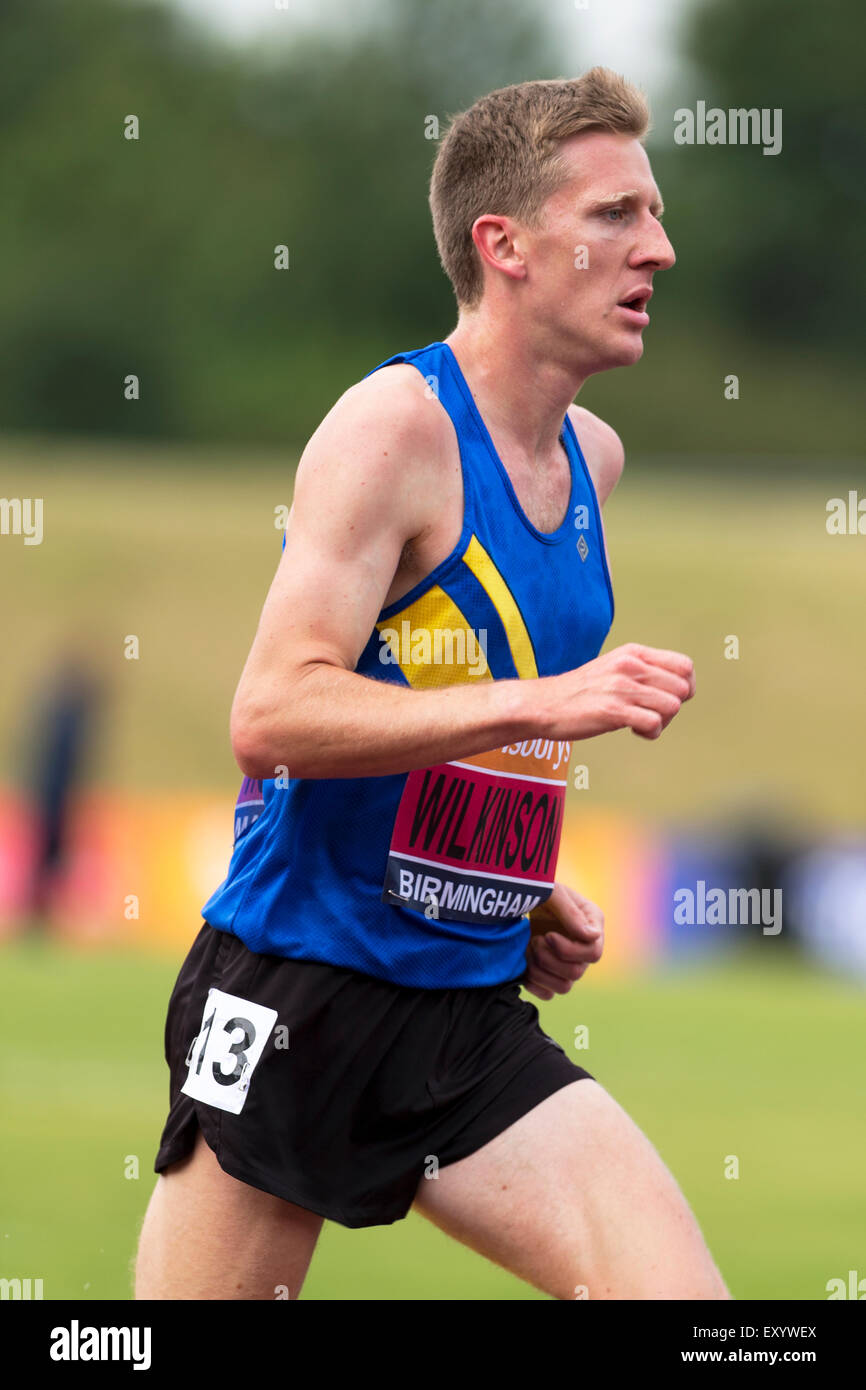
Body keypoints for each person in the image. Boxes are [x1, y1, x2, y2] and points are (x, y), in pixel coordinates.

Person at [136, 67, 730, 1301]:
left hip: (462, 1011)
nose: (658, 250)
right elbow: (273, 715)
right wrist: (543, 705)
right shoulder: (390, 431)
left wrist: (513, 881)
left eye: (655, 213)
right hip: (299, 991)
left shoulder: (593, 460)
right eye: (615, 215)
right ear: (501, 244)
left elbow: (438, 699)